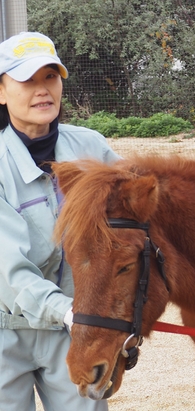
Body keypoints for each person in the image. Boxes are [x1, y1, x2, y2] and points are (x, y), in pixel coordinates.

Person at [0, 32, 119, 410]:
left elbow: (137, 228)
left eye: (50, 77)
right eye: (27, 80)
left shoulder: (92, 149)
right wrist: (71, 313)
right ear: (1, 92)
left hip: (72, 329)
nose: (42, 90)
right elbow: (10, 272)